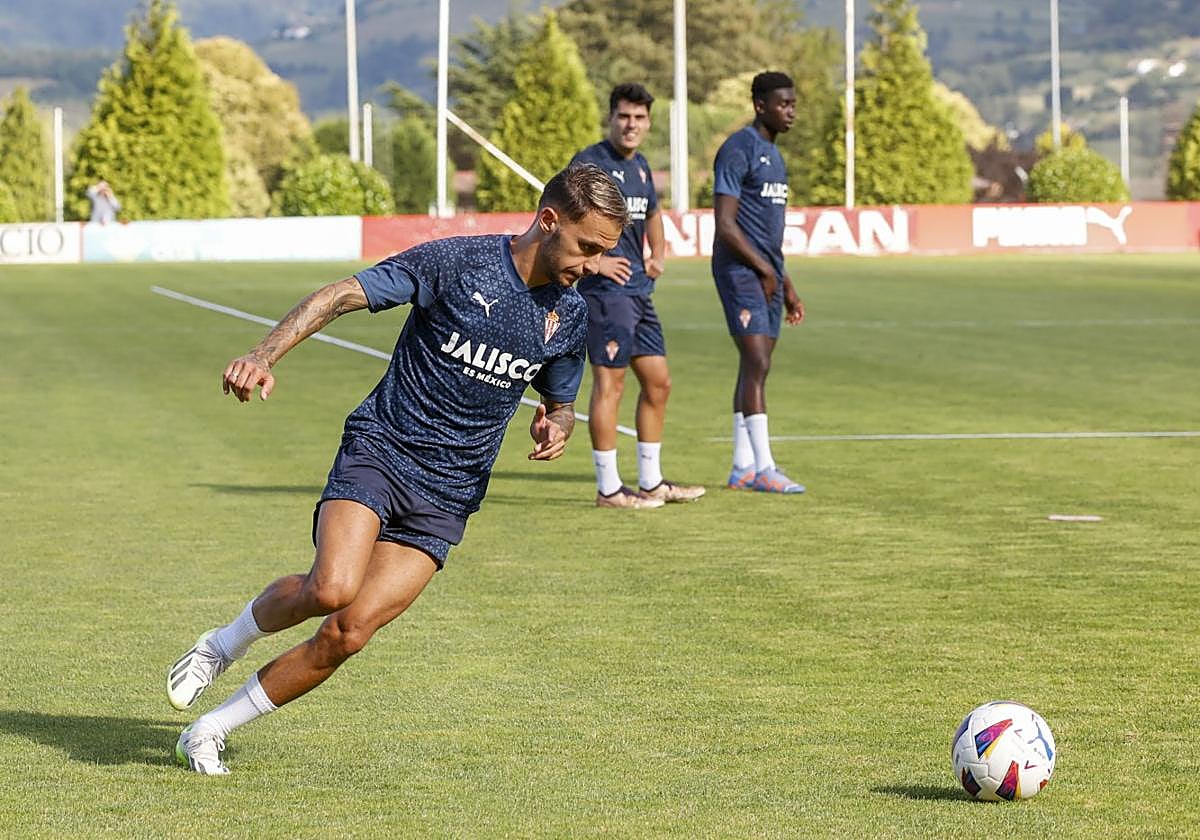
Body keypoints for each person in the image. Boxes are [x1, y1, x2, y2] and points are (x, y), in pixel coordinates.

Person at [166, 164, 628, 775]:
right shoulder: (457, 265)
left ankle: (209, 729)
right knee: (330, 588)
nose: (594, 264)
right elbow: (339, 296)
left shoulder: (569, 317)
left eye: (604, 252)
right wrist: (262, 353)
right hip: (383, 451)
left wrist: (557, 426)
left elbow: (561, 401)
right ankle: (220, 645)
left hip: (451, 491)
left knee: (348, 632)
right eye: (587, 247)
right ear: (548, 221)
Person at [569, 83, 705, 509]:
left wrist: (658, 254)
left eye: (640, 118)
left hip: (640, 293)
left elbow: (654, 214)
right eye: (624, 116)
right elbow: (559, 224)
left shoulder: (642, 166)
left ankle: (651, 482)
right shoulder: (589, 164)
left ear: (648, 122)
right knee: (611, 385)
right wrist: (595, 263)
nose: (632, 125)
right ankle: (609, 489)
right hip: (606, 295)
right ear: (611, 118)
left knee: (659, 383)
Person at [711, 72, 806, 495]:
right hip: (738, 270)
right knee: (757, 362)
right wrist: (765, 272)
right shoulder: (738, 149)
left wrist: (784, 282)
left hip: (767, 273)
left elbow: (769, 234)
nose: (791, 111)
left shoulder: (776, 156)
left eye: (793, 104)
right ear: (759, 105)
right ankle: (765, 467)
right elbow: (726, 225)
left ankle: (742, 467)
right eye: (783, 104)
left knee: (755, 366)